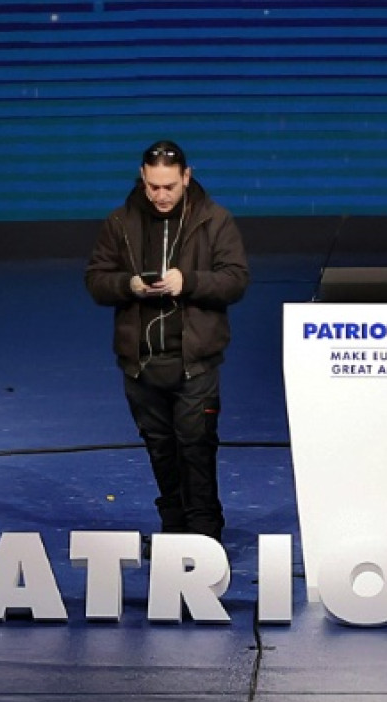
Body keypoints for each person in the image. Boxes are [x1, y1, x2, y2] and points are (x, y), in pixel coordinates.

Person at [85, 140, 249, 542]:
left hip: (195, 362)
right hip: (141, 364)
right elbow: (96, 280)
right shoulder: (120, 223)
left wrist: (188, 281)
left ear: (186, 177)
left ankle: (206, 537)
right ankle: (174, 534)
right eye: (154, 186)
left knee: (196, 450)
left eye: (170, 187)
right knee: (161, 452)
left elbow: (235, 280)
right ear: (143, 177)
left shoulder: (215, 221)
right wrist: (130, 286)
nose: (161, 196)